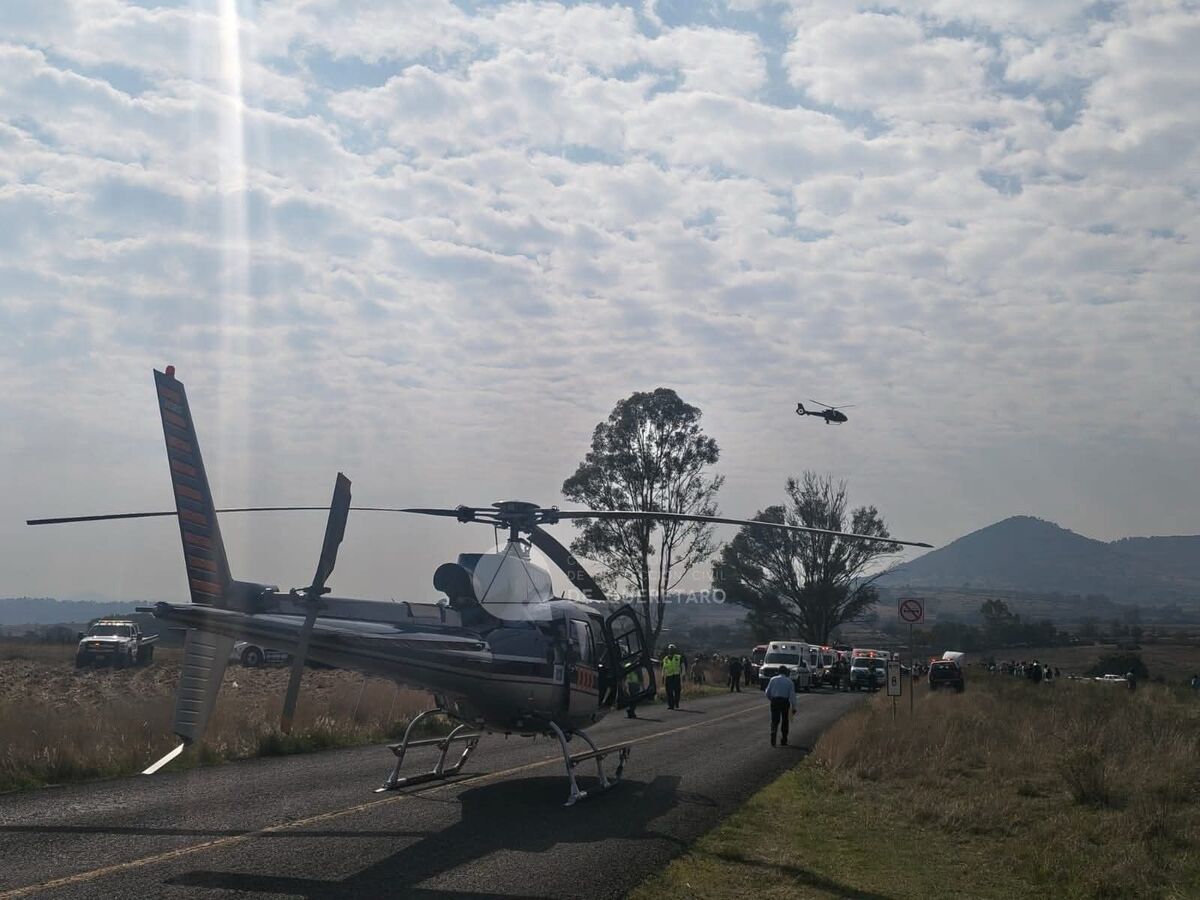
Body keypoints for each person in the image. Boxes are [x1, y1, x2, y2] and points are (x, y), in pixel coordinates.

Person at [765, 666, 797, 746]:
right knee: (785, 720)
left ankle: (773, 731)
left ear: (778, 671)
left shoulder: (773, 679)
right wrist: (794, 707)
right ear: (786, 672)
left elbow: (767, 692)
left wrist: (771, 699)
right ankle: (784, 739)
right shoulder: (789, 681)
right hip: (784, 701)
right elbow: (792, 696)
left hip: (775, 700)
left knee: (774, 719)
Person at [662, 644, 684, 710]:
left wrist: (683, 674)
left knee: (677, 691)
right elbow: (663, 668)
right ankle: (671, 705)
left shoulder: (678, 657)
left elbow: (683, 666)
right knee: (669, 691)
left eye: (672, 650)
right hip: (669, 677)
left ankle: (676, 702)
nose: (671, 651)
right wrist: (662, 676)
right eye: (670, 650)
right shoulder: (665, 659)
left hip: (676, 676)